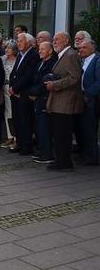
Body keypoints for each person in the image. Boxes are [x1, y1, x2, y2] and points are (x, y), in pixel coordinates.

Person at [45, 32, 84, 171]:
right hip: (59, 102)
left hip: (66, 102)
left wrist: (55, 85)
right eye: (54, 39)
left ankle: (64, 163)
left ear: (66, 40)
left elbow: (75, 77)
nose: (54, 42)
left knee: (62, 134)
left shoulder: (70, 55)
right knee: (58, 133)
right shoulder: (63, 55)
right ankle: (61, 160)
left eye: (57, 39)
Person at [9, 33, 40, 155]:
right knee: (17, 120)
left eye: (21, 41)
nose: (18, 43)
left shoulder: (33, 55)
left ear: (28, 42)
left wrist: (15, 88)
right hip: (15, 93)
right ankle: (20, 143)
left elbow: (28, 76)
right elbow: (14, 73)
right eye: (18, 41)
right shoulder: (20, 55)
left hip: (24, 93)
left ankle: (26, 146)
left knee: (25, 121)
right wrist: (11, 87)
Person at [28, 41, 57, 163]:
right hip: (37, 99)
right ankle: (42, 150)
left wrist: (33, 92)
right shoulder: (40, 63)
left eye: (42, 49)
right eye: (39, 49)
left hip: (45, 99)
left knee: (45, 127)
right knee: (39, 127)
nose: (39, 51)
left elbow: (44, 83)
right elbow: (34, 79)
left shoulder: (52, 64)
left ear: (50, 51)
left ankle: (48, 154)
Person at [78, 39, 100, 166]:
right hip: (82, 100)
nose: (81, 50)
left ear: (93, 48)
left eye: (84, 48)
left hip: (92, 101)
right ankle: (86, 155)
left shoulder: (97, 60)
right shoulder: (82, 61)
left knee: (91, 129)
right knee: (84, 129)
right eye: (80, 48)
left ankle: (92, 157)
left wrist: (87, 93)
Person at [1, 41, 18, 148]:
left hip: (14, 88)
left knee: (15, 113)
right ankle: (10, 137)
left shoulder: (18, 60)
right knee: (7, 113)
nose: (7, 50)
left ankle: (17, 138)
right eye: (6, 48)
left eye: (9, 48)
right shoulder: (3, 59)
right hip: (4, 88)